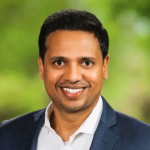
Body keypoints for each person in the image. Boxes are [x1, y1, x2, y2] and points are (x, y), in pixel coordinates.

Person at [0, 9, 150, 150]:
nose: (73, 77)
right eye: (59, 62)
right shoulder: (6, 136)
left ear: (104, 66)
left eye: (86, 63)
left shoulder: (144, 141)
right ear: (42, 67)